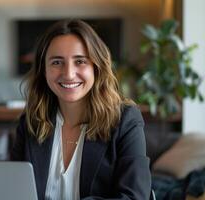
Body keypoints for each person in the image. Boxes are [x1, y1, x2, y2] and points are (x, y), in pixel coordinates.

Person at [11, 19, 151, 200]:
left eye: (80, 61)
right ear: (43, 70)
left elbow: (135, 197)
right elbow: (13, 190)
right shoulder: (30, 123)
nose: (68, 73)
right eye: (56, 62)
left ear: (96, 67)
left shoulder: (126, 121)